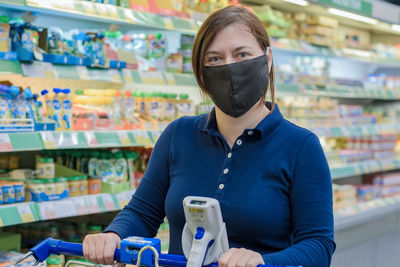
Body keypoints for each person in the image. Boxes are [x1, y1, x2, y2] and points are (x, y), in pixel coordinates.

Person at [83, 6, 336, 267]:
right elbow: (143, 213)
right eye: (215, 59)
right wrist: (113, 235)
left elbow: (318, 245)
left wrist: (263, 261)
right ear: (201, 72)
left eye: (242, 54)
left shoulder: (301, 147)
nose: (229, 67)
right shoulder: (177, 135)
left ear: (268, 59)